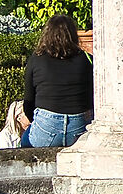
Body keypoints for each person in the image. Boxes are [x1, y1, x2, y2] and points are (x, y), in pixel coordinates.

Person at [22, 14, 93, 148]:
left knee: (25, 141)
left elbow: (28, 102)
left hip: (46, 125)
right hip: (79, 126)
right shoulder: (87, 59)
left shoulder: (36, 59)